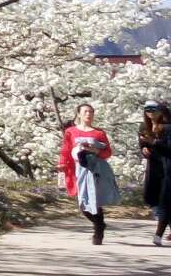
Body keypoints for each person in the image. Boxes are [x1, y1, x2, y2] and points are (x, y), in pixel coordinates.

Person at [62, 102, 116, 246]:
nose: (88, 114)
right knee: (83, 204)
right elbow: (66, 150)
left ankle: (98, 231)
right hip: (79, 169)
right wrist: (62, 164)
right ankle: (100, 223)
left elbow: (108, 152)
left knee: (94, 200)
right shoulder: (71, 131)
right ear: (79, 114)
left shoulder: (99, 133)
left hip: (96, 170)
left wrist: (96, 151)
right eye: (85, 111)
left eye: (91, 112)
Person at [142, 100, 171, 246]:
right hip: (153, 166)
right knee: (152, 198)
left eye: (153, 110)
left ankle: (158, 234)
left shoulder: (167, 127)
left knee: (166, 201)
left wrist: (153, 143)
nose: (150, 113)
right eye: (147, 110)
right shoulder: (144, 126)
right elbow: (143, 143)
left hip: (167, 166)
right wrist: (143, 148)